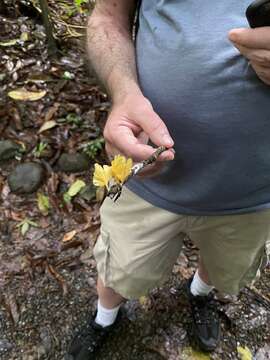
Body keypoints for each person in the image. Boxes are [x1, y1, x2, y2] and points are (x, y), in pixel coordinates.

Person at [68, 1, 270, 358]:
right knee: (121, 268)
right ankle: (105, 318)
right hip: (147, 179)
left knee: (224, 263)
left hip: (253, 191)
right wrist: (122, 91)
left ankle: (198, 294)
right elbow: (107, 16)